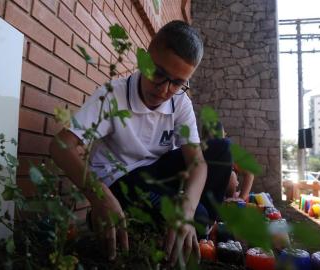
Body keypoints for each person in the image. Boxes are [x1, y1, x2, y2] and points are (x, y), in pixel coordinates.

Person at [50, 21, 232, 266]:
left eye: (177, 83)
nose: (165, 90)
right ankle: (105, 219)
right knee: (188, 216)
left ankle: (198, 229)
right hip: (122, 180)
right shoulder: (113, 94)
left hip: (156, 173)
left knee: (221, 149)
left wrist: (186, 210)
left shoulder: (180, 103)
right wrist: (99, 196)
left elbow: (197, 163)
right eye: (158, 73)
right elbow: (61, 146)